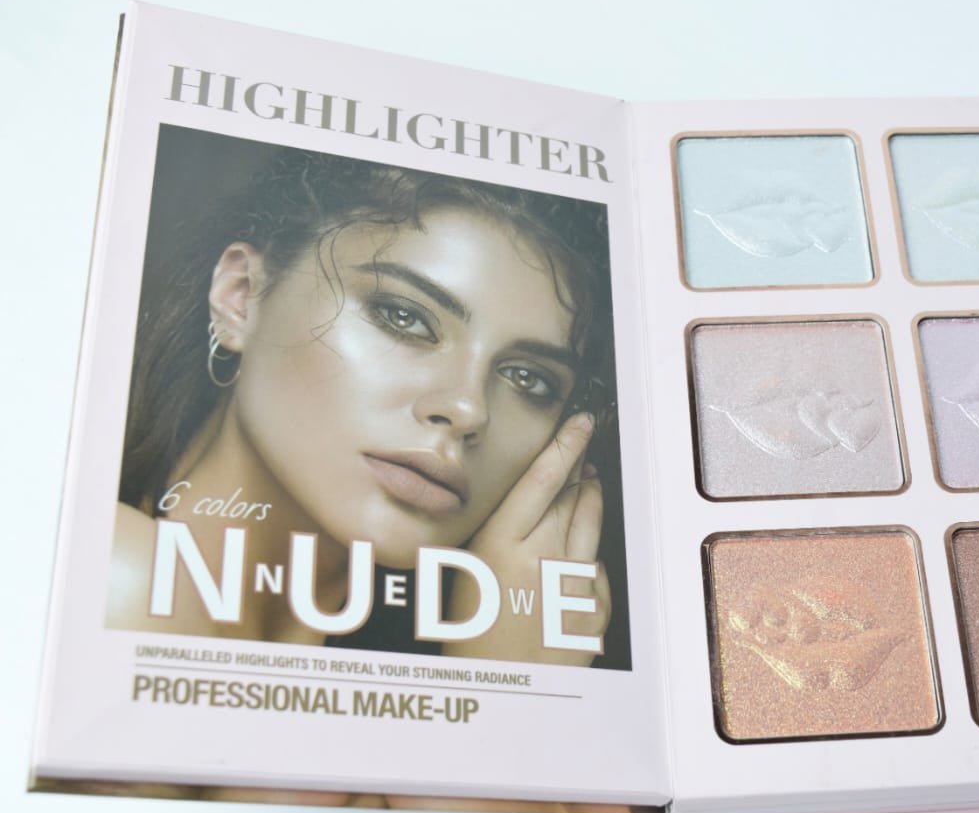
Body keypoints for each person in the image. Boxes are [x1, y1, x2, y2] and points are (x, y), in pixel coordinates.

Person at [105, 138, 617, 668]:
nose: (468, 409)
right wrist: (511, 684)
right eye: (403, 317)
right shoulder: (123, 579)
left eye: (528, 379)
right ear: (241, 296)